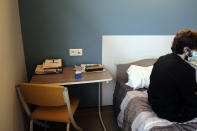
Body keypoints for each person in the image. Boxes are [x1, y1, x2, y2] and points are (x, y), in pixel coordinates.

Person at [148, 29, 197, 123]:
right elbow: (191, 101)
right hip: (172, 112)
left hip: (154, 102)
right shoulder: (187, 70)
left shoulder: (162, 59)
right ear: (186, 49)